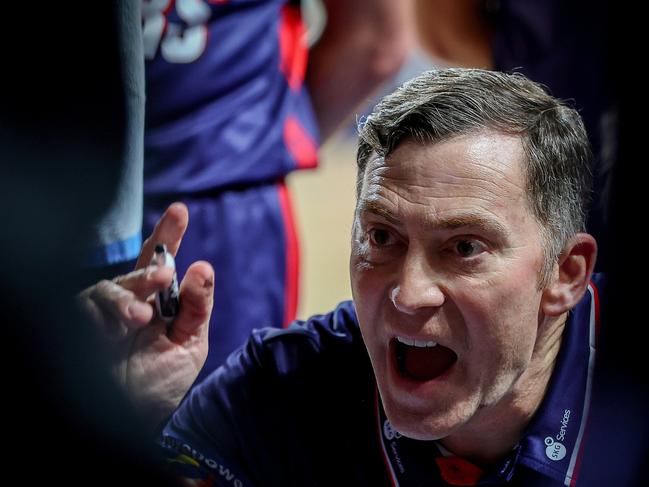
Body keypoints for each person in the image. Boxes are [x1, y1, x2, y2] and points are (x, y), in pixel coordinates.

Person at [84, 67, 629, 485]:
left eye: (464, 247)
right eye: (382, 238)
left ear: (566, 274)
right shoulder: (284, 390)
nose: (409, 293)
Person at [141, 0, 413, 380]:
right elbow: (375, 46)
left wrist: (268, 142)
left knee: (217, 425)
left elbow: (374, 43)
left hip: (213, 200)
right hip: (219, 199)